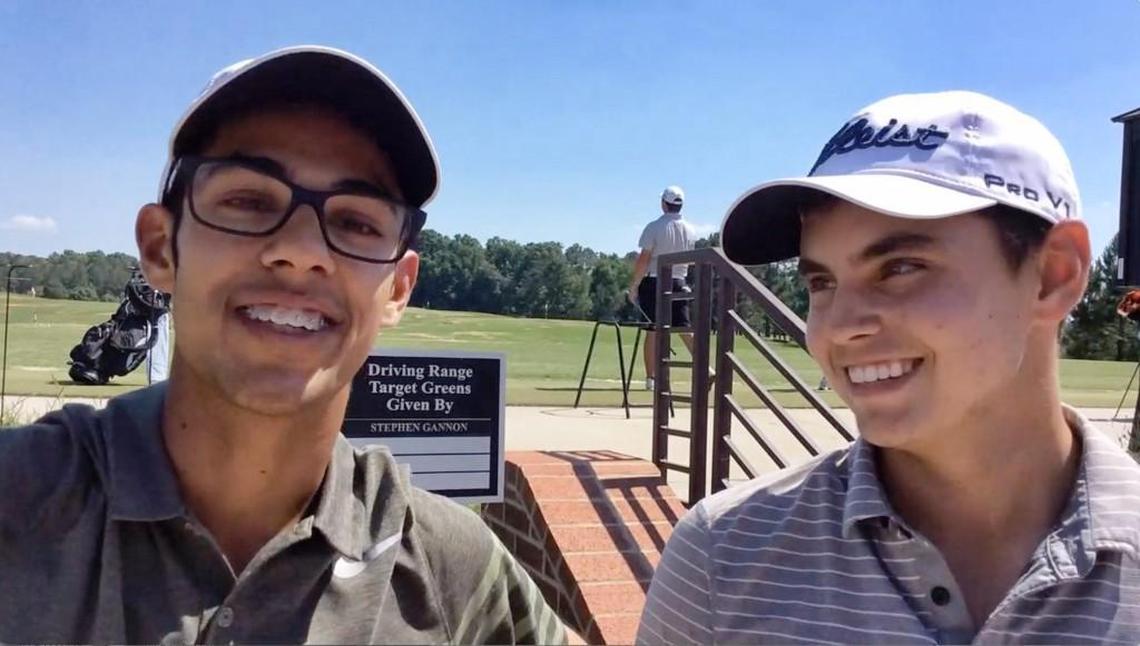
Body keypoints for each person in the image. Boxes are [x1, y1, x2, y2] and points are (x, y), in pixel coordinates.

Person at [0, 45, 567, 645]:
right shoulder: (21, 501)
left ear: (398, 289)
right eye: (248, 201)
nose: (302, 250)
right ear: (161, 250)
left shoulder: (452, 571)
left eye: (357, 221)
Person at [638, 91, 1140, 644]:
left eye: (900, 267)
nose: (838, 326)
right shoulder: (721, 558)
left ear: (1053, 276)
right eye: (821, 282)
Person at [627, 185, 698, 390]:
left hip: (655, 281)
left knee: (652, 330)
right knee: (685, 329)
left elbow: (644, 259)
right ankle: (706, 369)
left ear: (664, 204)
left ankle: (651, 379)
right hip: (679, 282)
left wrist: (634, 285)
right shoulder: (691, 230)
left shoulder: (654, 227)